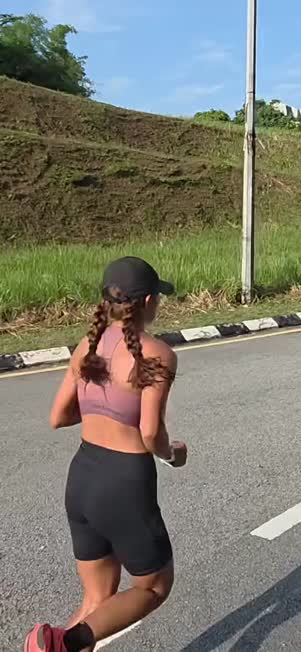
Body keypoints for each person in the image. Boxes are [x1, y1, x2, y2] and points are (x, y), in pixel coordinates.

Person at [25, 257, 183, 652]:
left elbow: (58, 417)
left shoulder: (86, 346)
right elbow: (150, 432)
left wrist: (100, 407)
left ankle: (55, 644)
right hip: (124, 484)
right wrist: (173, 454)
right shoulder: (157, 354)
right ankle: (66, 643)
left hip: (82, 479)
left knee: (98, 601)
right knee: (154, 587)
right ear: (148, 301)